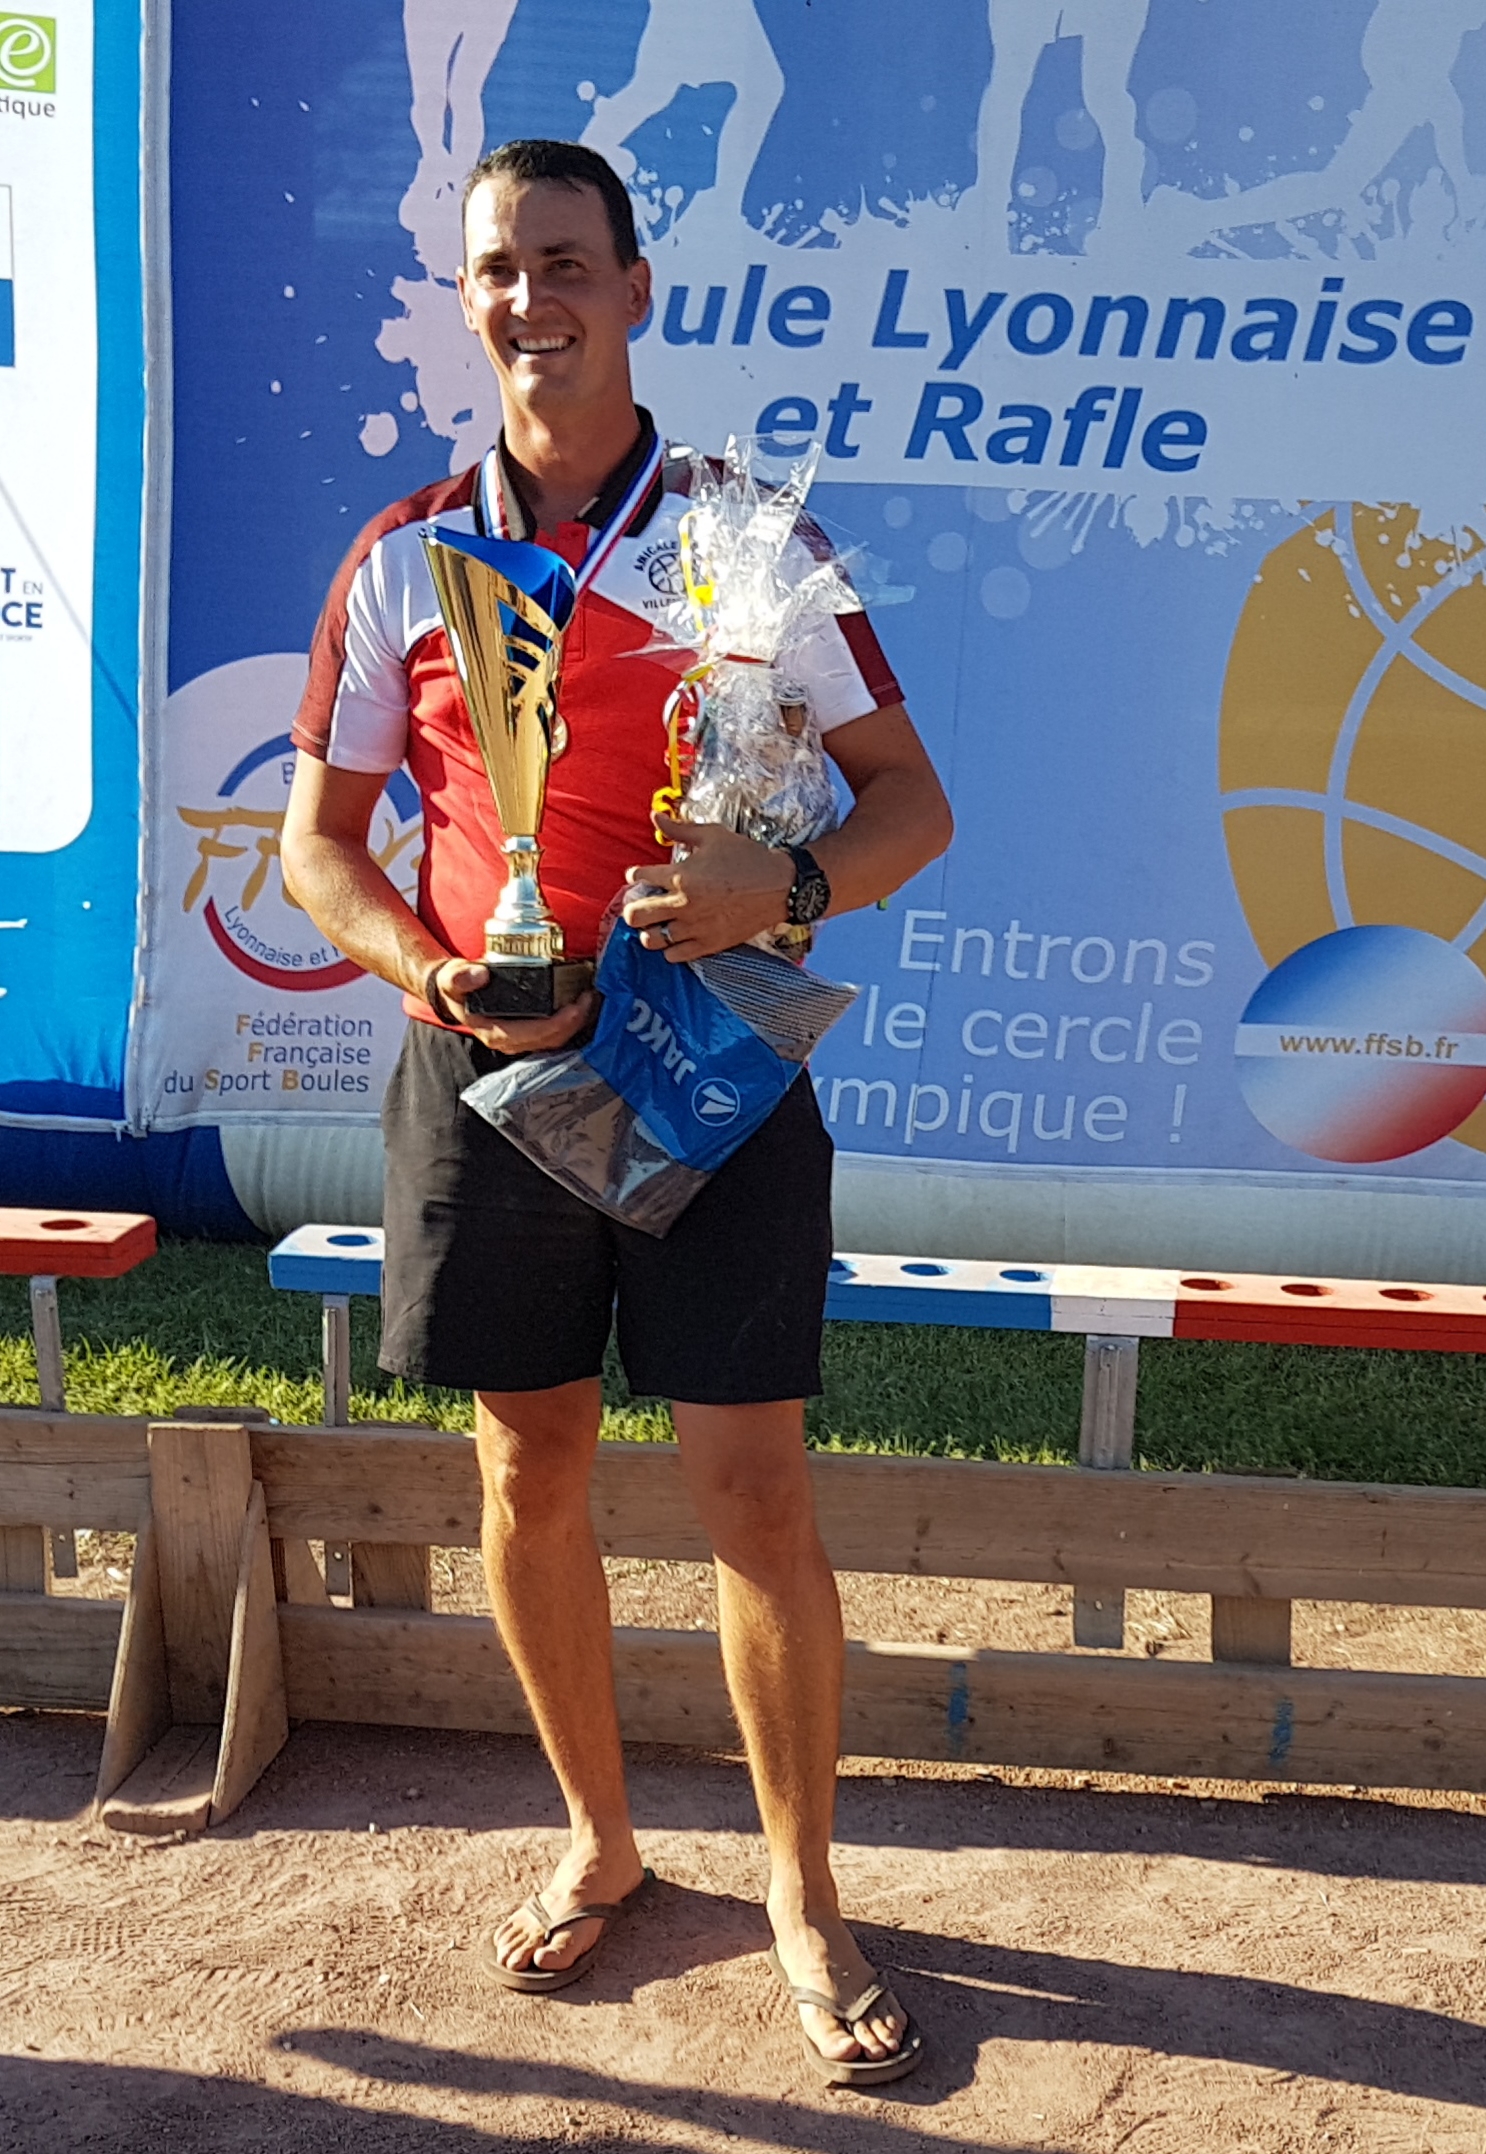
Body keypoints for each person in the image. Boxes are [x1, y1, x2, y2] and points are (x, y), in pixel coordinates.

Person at [281, 138, 952, 2088]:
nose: (532, 299)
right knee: (529, 1469)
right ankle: (598, 1838)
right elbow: (322, 847)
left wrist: (784, 885)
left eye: (565, 262)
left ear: (635, 288)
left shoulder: (741, 538)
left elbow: (911, 803)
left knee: (751, 1491)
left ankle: (802, 1895)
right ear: (467, 298)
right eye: (500, 267)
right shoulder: (402, 554)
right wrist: (434, 972)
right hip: (490, 1070)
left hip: (710, 1068)